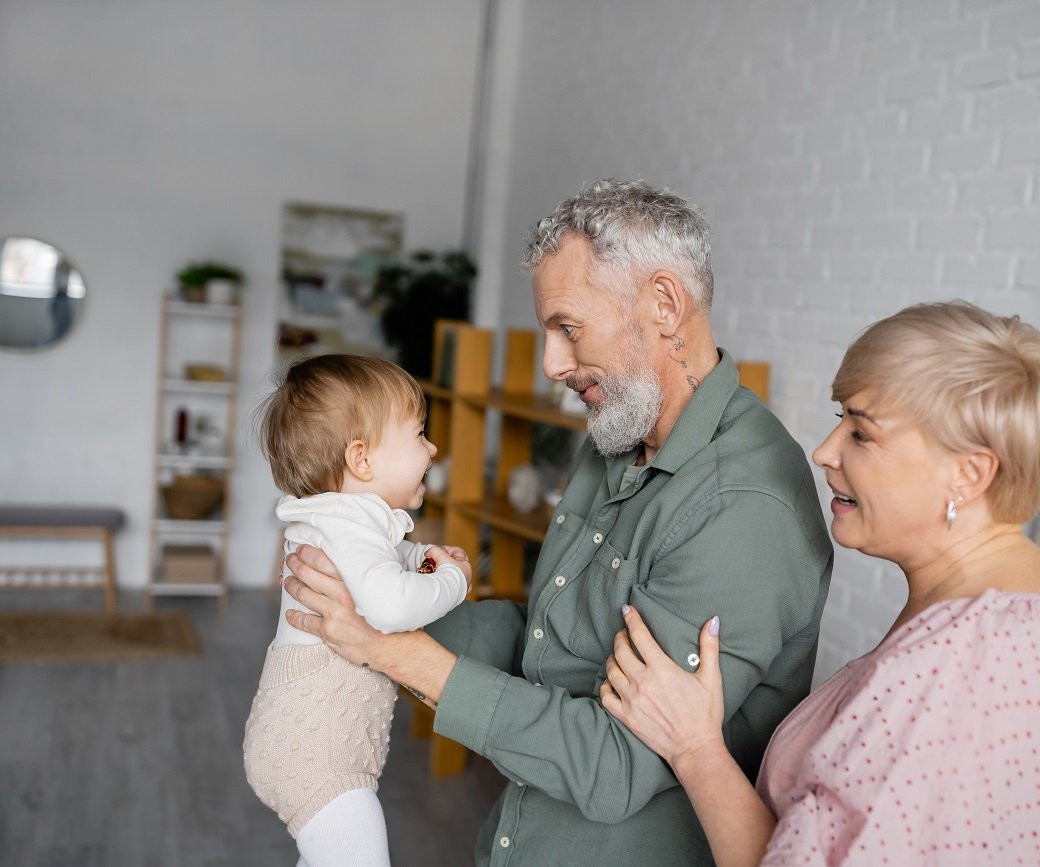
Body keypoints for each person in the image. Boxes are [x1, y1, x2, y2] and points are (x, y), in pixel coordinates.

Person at [280, 179, 835, 865]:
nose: (552, 365)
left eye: (568, 329)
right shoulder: (619, 432)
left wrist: (393, 652)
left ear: (664, 305)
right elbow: (547, 639)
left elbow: (618, 763)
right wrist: (366, 604)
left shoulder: (743, 504)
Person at [601, 301, 1040, 866]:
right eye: (839, 418)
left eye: (862, 433)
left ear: (968, 473)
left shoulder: (966, 666)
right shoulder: (1031, 612)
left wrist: (695, 748)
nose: (824, 451)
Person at [243, 354, 470, 867]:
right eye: (419, 434)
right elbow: (390, 605)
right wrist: (453, 580)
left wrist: (424, 558)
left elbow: (384, 564)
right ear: (362, 460)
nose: (433, 448)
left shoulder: (345, 522)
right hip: (316, 753)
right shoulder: (347, 526)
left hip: (309, 742)